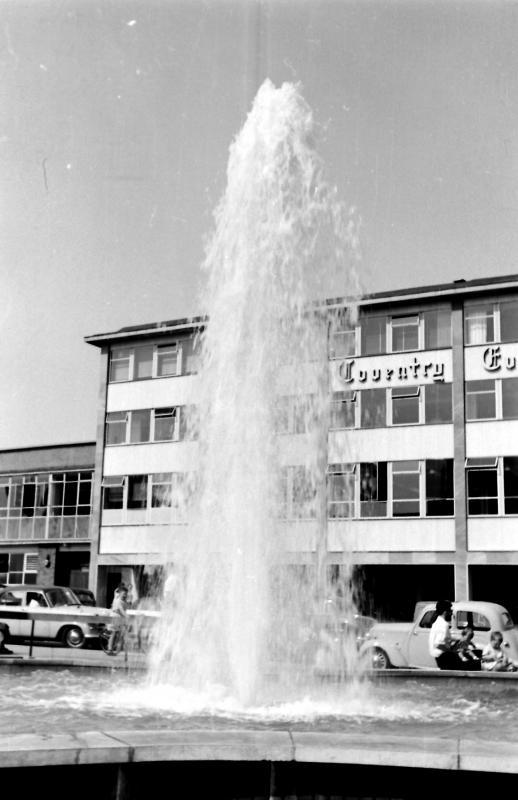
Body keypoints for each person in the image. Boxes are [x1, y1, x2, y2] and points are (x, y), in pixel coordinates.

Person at [429, 599, 462, 670]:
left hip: (438, 655)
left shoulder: (436, 623)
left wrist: (458, 639)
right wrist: (452, 650)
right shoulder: (444, 625)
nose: (451, 613)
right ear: (445, 612)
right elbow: (440, 644)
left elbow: (446, 638)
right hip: (443, 656)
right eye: (450, 610)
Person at [107, 584, 129, 653]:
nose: (125, 595)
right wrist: (126, 616)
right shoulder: (118, 600)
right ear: (119, 594)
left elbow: (125, 610)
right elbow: (121, 610)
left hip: (120, 619)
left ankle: (118, 647)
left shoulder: (124, 601)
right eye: (123, 593)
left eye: (126, 594)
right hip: (115, 617)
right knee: (113, 633)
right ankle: (110, 648)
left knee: (120, 632)